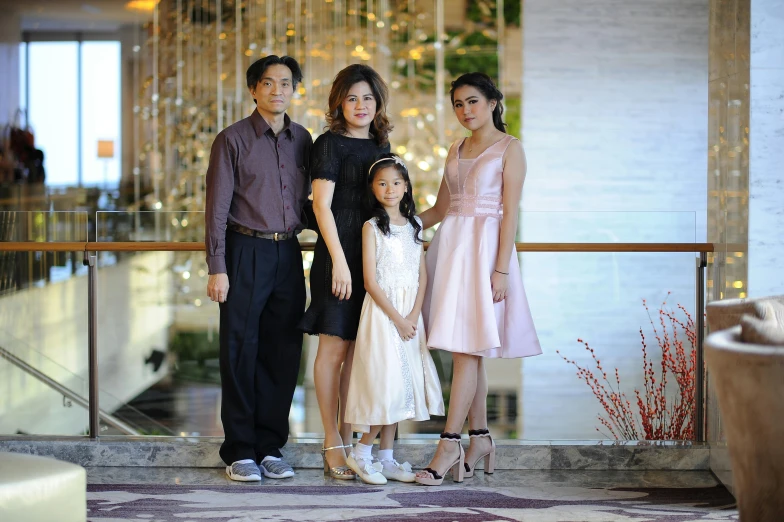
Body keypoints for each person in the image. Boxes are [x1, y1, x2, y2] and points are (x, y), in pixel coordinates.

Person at [415, 72, 543, 486]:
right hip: (450, 251)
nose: (464, 111)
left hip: (486, 254)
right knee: (469, 350)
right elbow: (439, 208)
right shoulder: (455, 147)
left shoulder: (511, 148)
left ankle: (449, 442)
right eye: (458, 104)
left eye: (472, 101)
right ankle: (481, 437)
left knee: (468, 349)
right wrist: (395, 226)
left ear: (492, 102)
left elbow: (511, 214)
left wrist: (501, 269)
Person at [205, 55, 312, 482]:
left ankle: (270, 446)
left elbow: (310, 201)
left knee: (283, 352)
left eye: (285, 83)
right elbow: (216, 209)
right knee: (239, 351)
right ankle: (239, 450)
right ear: (254, 89)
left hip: (289, 254)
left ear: (294, 89)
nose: (277, 90)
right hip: (243, 252)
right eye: (268, 83)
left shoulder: (303, 139)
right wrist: (217, 266)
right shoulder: (231, 140)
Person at [298, 64, 392, 480]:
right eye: (352, 97)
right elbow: (321, 206)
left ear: (378, 104)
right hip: (337, 258)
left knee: (359, 352)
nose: (360, 105)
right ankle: (331, 440)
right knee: (333, 349)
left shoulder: (381, 144)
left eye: (368, 98)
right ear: (339, 101)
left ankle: (357, 442)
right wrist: (338, 260)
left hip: (372, 259)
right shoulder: (329, 144)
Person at [343, 154, 445, 484]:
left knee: (404, 385)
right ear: (373, 189)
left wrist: (413, 315)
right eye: (382, 183)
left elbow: (422, 275)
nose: (390, 189)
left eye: (396, 183)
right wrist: (398, 319)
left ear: (406, 187)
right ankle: (361, 452)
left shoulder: (415, 225)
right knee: (387, 384)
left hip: (410, 315)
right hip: (383, 312)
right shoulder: (371, 227)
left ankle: (386, 457)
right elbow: (371, 281)